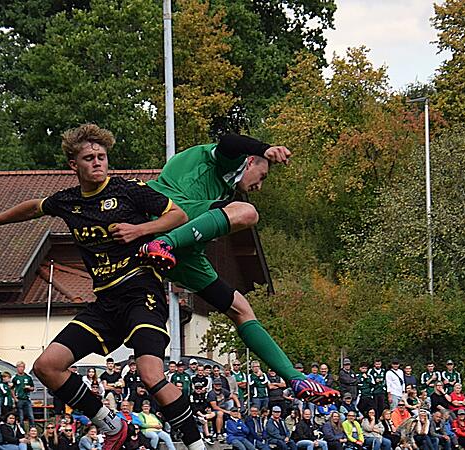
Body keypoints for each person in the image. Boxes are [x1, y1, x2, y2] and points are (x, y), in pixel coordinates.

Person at [0, 124, 204, 450]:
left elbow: (178, 215)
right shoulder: (68, 201)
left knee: (149, 373)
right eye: (89, 158)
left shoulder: (128, 190)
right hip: (105, 303)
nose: (98, 162)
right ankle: (111, 424)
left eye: (102, 156)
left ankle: (197, 445)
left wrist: (139, 230)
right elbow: (32, 207)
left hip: (141, 293)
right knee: (46, 367)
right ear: (74, 165)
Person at [142, 134, 339, 404]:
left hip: (185, 253)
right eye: (262, 176)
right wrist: (266, 149)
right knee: (247, 212)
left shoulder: (225, 189)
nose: (259, 185)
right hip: (165, 215)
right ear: (249, 162)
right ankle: (162, 243)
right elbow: (228, 142)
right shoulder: (223, 162)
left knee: (241, 309)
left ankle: (295, 378)